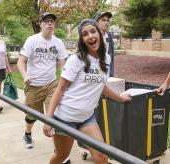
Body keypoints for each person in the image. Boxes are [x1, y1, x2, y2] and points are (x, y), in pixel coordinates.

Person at [43, 19, 131, 164]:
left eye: (93, 31)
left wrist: (120, 98)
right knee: (61, 156)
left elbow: (101, 85)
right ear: (82, 40)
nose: (90, 36)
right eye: (85, 34)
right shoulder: (76, 59)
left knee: (102, 157)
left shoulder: (106, 59)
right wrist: (49, 119)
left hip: (86, 118)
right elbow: (60, 89)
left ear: (99, 34)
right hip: (65, 118)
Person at [17, 12, 68, 149]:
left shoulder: (58, 42)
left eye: (52, 21)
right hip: (33, 85)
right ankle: (27, 134)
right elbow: (21, 61)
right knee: (32, 115)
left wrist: (65, 78)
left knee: (54, 115)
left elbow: (63, 64)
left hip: (52, 84)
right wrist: (25, 75)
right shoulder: (32, 40)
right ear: (40, 24)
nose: (50, 23)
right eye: (46, 21)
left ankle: (58, 149)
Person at [94, 11, 114, 77]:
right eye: (103, 20)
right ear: (96, 22)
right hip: (94, 71)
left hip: (106, 69)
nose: (106, 23)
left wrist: (111, 73)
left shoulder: (109, 35)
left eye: (107, 20)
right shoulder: (92, 36)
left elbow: (110, 54)